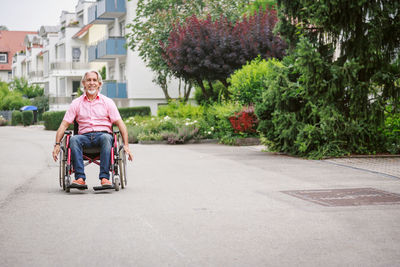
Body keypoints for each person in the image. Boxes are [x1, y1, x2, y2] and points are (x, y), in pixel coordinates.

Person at [52, 70, 133, 188]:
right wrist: (57, 144)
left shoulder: (107, 102)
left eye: (94, 80)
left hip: (102, 136)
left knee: (106, 138)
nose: (91, 83)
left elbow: (121, 124)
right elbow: (64, 125)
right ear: (84, 83)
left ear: (99, 84)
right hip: (83, 137)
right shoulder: (76, 103)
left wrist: (126, 145)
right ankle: (79, 178)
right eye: (88, 80)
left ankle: (105, 178)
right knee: (74, 140)